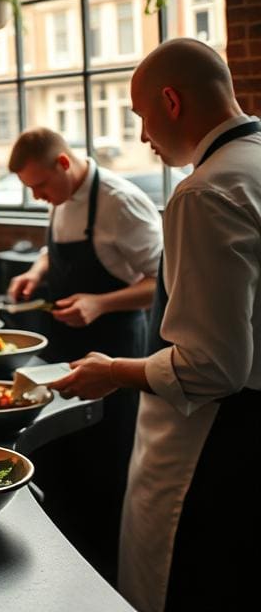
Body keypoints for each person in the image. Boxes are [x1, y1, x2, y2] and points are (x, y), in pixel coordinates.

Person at [50, 38, 261, 612]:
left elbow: (211, 367)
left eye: (143, 117)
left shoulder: (205, 192)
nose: (144, 136)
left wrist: (111, 370)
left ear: (171, 101)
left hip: (214, 440)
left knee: (180, 583)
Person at [5, 127, 162, 581]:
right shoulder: (61, 199)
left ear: (63, 164)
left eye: (40, 186)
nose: (37, 197)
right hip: (66, 346)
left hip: (117, 349)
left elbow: (162, 283)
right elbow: (52, 250)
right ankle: (63, 563)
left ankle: (107, 573)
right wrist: (36, 271)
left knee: (107, 462)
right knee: (63, 452)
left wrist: (100, 302)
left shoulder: (120, 202)